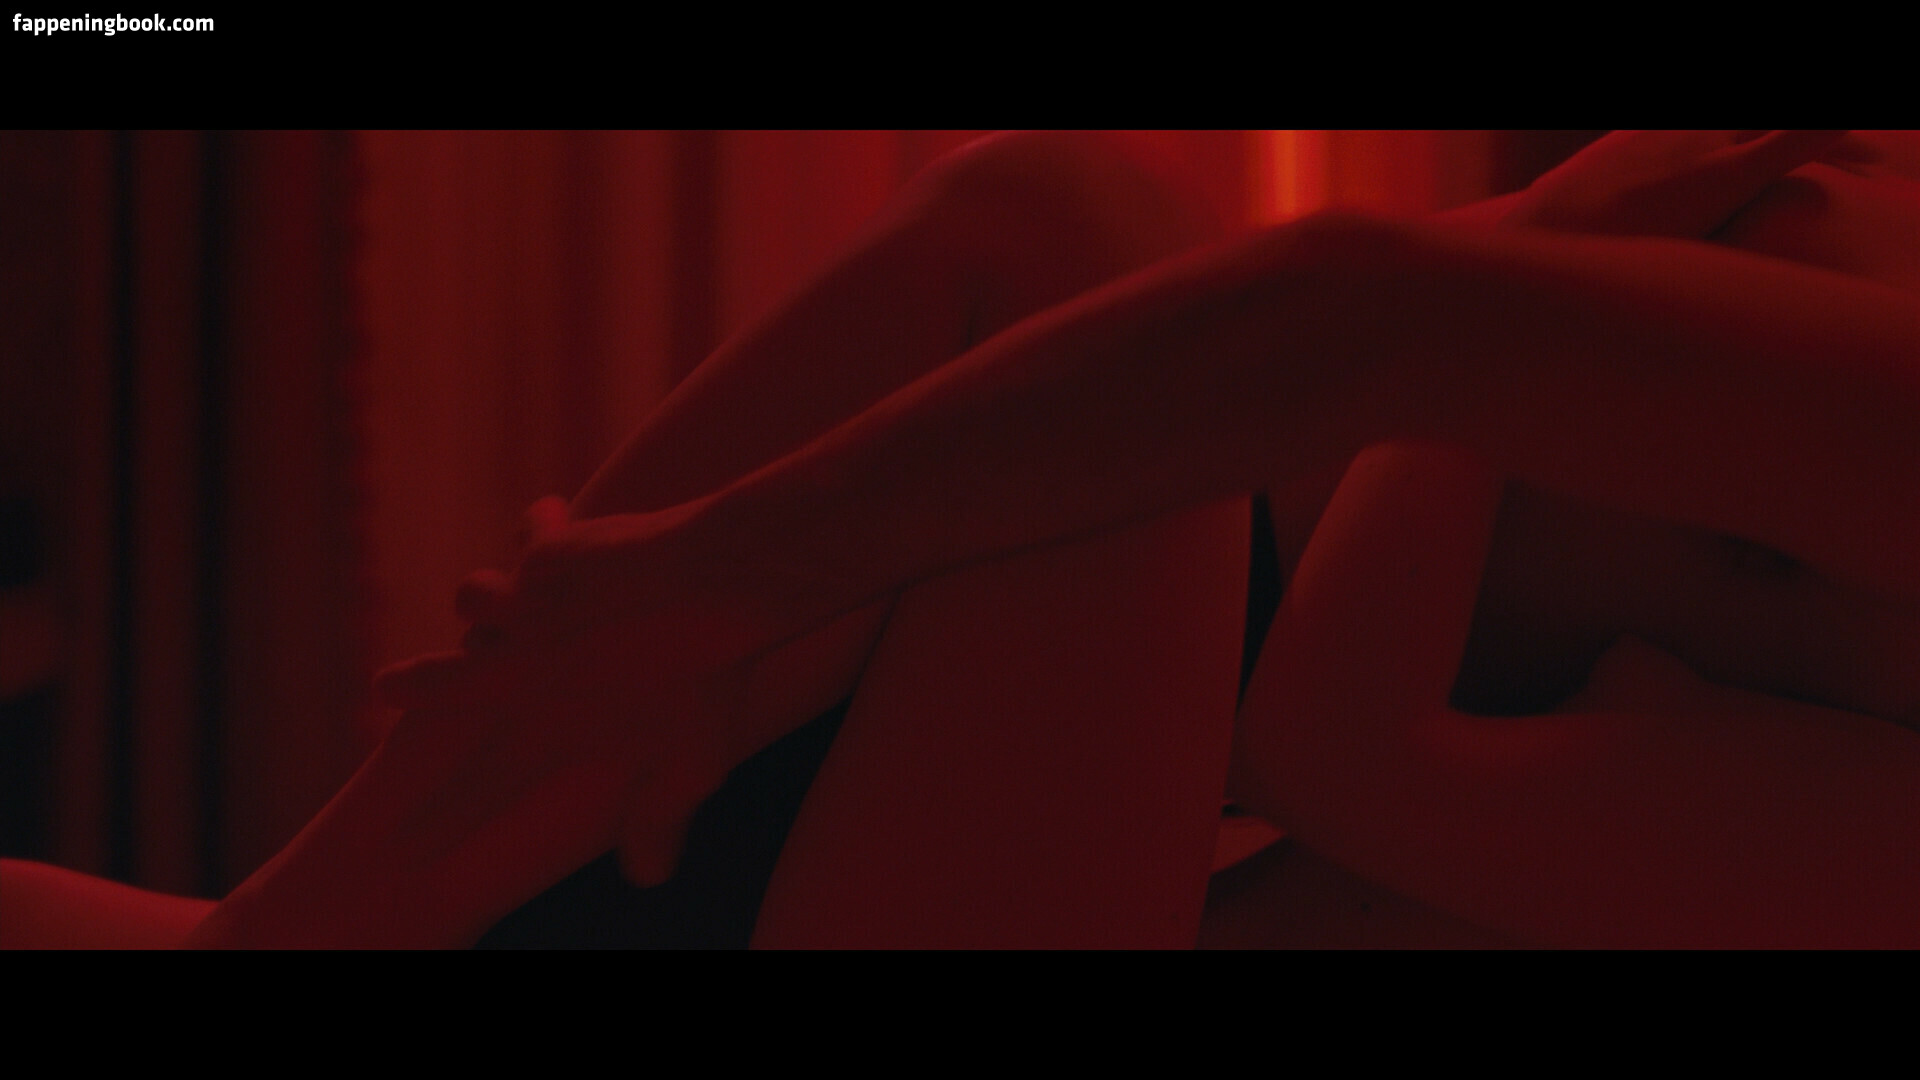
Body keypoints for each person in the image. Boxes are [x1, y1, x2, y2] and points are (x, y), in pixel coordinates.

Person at [7, 130, 1917, 947]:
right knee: (1047, 233)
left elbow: (1350, 748)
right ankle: (302, 914)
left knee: (1067, 229)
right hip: (976, 653)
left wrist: (1521, 295)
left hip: (1091, 755)